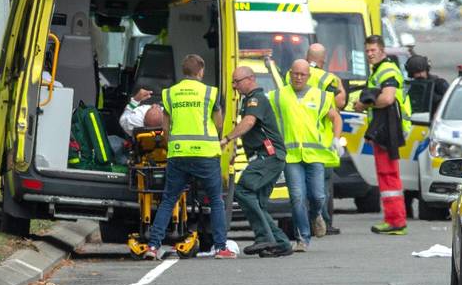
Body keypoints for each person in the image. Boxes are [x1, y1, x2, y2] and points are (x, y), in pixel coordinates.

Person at [144, 54, 236, 260]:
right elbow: (219, 123)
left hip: (178, 153)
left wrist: (172, 147)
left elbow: (165, 127)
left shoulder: (170, 94)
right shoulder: (210, 93)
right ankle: (221, 248)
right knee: (215, 200)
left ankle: (152, 246)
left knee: (168, 200)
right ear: (200, 71)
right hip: (205, 153)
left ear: (183, 70)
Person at [269, 59, 343, 252]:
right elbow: (264, 117)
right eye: (295, 74)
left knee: (319, 196)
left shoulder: (320, 97)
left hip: (315, 154)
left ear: (309, 76)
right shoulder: (278, 96)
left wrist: (336, 139)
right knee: (297, 197)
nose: (298, 77)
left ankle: (316, 215)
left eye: (302, 74)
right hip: (291, 156)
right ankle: (303, 238)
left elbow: (336, 118)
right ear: (289, 74)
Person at [220, 66, 292, 258]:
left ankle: (263, 238)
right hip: (268, 157)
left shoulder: (255, 99)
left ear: (250, 79)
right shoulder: (248, 100)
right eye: (233, 82)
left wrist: (227, 139)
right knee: (258, 203)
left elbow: (249, 123)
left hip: (268, 157)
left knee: (243, 190)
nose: (234, 86)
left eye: (237, 81)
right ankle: (281, 244)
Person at [353, 35, 412, 235]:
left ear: (382, 51)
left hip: (389, 127)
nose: (370, 54)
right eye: (367, 50)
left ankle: (396, 221)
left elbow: (387, 98)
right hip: (386, 127)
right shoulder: (379, 70)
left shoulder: (386, 70)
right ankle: (393, 219)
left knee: (388, 175)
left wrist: (363, 104)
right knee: (387, 174)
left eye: (373, 50)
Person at [306, 43, 345, 235]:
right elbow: (340, 102)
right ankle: (323, 222)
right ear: (323, 60)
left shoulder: (293, 75)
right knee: (322, 184)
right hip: (322, 137)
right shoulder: (329, 79)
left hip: (299, 137)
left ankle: (308, 221)